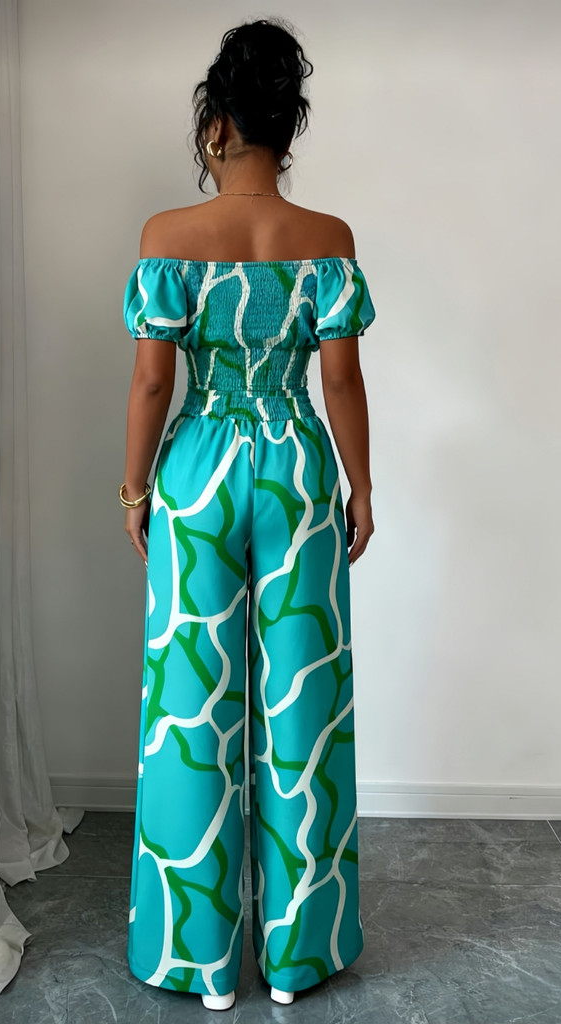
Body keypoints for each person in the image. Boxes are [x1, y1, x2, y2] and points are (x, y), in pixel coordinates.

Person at [119, 18, 376, 1012]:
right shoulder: (328, 241)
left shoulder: (167, 239)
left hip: (199, 470)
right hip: (298, 472)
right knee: (303, 705)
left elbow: (153, 383)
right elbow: (341, 379)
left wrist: (135, 488)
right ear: (287, 125)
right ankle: (297, 960)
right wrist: (361, 486)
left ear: (215, 125)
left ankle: (202, 962)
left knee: (190, 703)